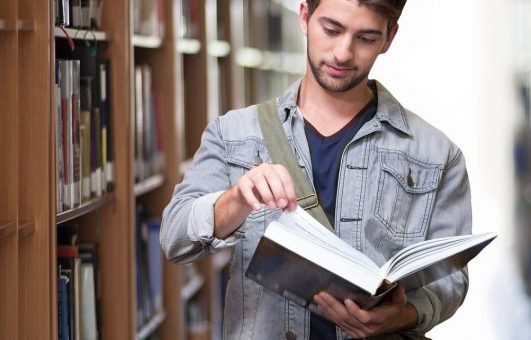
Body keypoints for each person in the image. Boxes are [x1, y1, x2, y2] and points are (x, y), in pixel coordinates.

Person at [161, 0, 473, 338]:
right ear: (305, 16)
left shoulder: (438, 154)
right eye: (332, 29)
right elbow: (175, 239)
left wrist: (405, 315)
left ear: (389, 38)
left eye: (366, 38)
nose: (343, 53)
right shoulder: (233, 133)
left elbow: (451, 280)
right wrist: (236, 199)